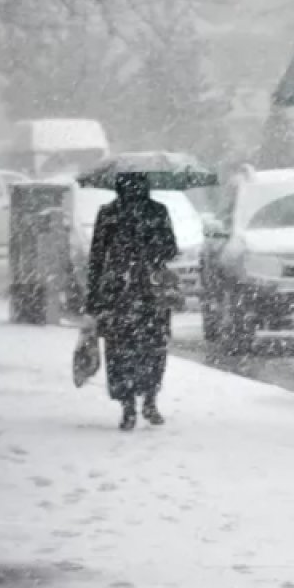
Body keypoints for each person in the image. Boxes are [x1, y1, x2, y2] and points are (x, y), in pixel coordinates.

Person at [85, 173, 179, 430]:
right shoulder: (157, 211)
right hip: (148, 293)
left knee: (120, 351)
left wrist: (93, 299)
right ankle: (149, 399)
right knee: (152, 348)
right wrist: (152, 249)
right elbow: (171, 248)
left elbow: (96, 258)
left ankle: (128, 405)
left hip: (119, 294)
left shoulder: (109, 213)